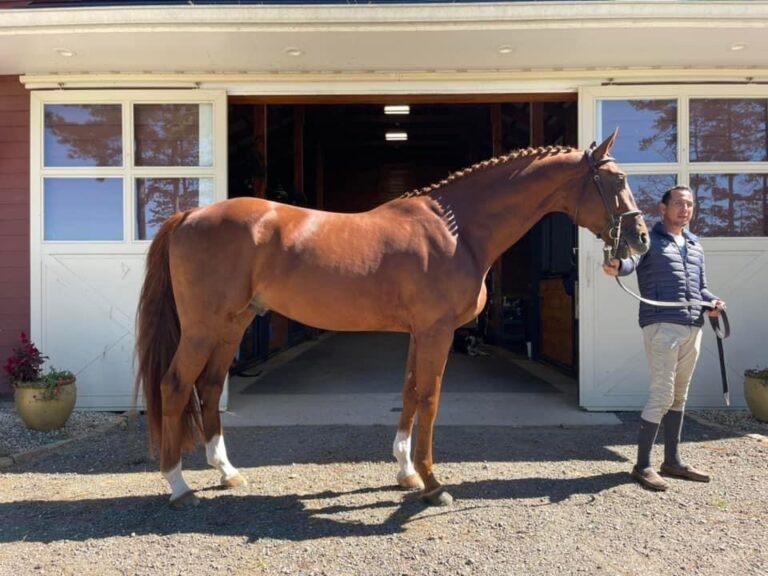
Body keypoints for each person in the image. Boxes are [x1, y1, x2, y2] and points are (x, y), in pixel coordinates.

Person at [603, 185, 726, 491]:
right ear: (663, 208)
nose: (685, 209)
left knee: (680, 396)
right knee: (662, 395)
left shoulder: (696, 246)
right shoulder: (649, 242)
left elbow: (701, 288)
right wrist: (617, 266)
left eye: (690, 204)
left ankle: (672, 461)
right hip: (661, 326)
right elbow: (628, 265)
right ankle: (642, 465)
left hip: (692, 326)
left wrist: (713, 302)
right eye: (679, 204)